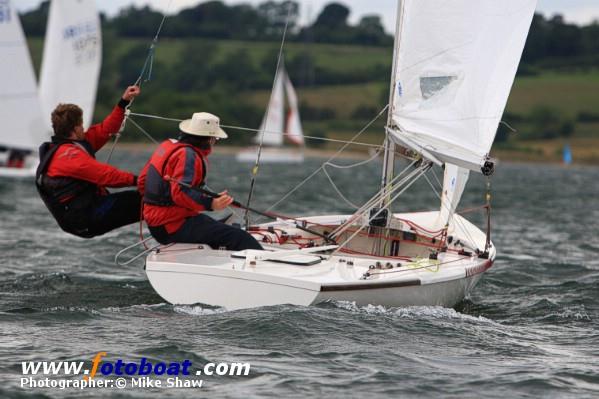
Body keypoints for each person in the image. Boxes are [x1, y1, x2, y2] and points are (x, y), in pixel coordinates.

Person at [138, 112, 263, 251]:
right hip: (171, 225)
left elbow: (142, 182)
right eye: (215, 138)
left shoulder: (167, 146)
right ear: (209, 139)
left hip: (156, 224)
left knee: (219, 228)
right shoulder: (188, 155)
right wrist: (211, 204)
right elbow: (180, 192)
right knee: (241, 237)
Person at [36, 86, 142, 238]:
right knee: (149, 200)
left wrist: (123, 102)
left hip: (90, 209)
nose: (83, 127)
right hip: (86, 219)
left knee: (149, 199)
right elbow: (106, 175)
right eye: (81, 124)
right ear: (76, 128)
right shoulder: (68, 156)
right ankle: (176, 236)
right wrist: (140, 180)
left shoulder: (73, 144)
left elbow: (106, 129)